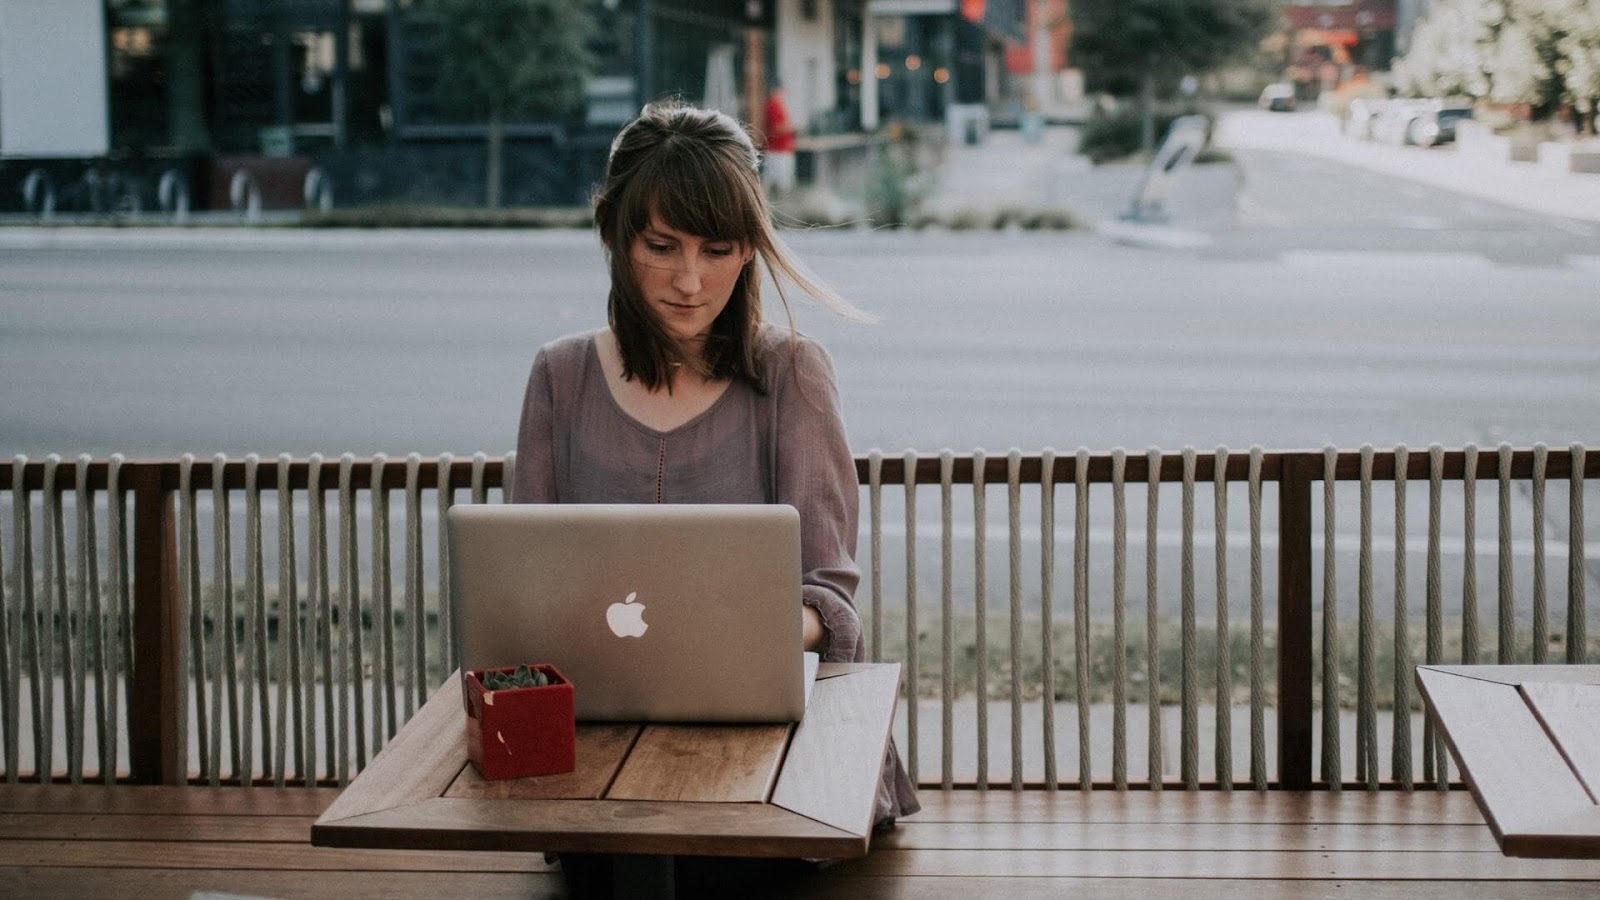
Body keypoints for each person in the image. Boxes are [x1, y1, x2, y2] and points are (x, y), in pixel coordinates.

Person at [510, 100, 918, 895]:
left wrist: (732, 629)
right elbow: (523, 585)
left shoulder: (793, 373)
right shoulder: (560, 376)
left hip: (771, 755)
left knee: (711, 869)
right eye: (660, 247)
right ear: (615, 237)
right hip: (599, 750)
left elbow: (830, 601)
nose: (690, 282)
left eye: (718, 249)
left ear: (750, 251)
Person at [762, 83, 798, 194]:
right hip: (778, 150)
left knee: (772, 179)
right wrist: (792, 127)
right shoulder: (774, 104)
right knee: (781, 182)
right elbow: (777, 128)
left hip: (780, 149)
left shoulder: (777, 104)